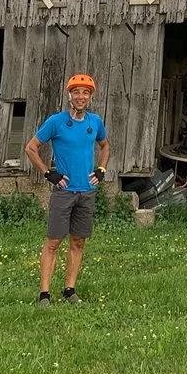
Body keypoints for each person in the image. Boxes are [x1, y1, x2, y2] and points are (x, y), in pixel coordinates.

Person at [24, 73, 110, 307]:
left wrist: (101, 169)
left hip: (87, 192)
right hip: (64, 192)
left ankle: (69, 290)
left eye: (85, 92)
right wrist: (48, 173)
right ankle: (44, 294)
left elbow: (105, 145)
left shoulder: (95, 122)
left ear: (90, 97)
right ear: (69, 95)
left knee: (78, 242)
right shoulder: (56, 121)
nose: (80, 96)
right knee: (53, 242)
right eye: (76, 92)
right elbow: (31, 148)